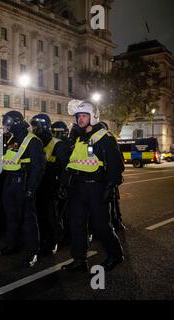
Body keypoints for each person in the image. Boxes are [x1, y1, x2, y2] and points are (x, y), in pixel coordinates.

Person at [62, 100, 124, 272]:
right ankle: (79, 259)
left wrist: (110, 187)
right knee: (76, 224)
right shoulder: (78, 137)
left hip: (97, 188)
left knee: (100, 226)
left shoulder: (105, 137)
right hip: (79, 188)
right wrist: (70, 139)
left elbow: (116, 166)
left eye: (83, 116)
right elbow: (69, 161)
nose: (80, 119)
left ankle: (115, 255)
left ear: (93, 117)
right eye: (78, 116)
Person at [0, 111, 45, 267]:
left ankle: (33, 252)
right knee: (11, 216)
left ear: (16, 123)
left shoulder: (33, 141)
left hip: (23, 183)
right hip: (10, 182)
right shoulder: (13, 138)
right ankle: (12, 245)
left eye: (7, 122)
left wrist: (31, 189)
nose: (5, 126)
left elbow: (38, 168)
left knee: (28, 220)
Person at [31, 114, 70, 255]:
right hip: (38, 184)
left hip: (51, 184)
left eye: (36, 126)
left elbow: (67, 167)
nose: (33, 128)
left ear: (44, 126)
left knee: (51, 215)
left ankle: (54, 240)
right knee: (39, 215)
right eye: (33, 126)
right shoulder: (33, 142)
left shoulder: (57, 144)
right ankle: (42, 239)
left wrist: (62, 186)